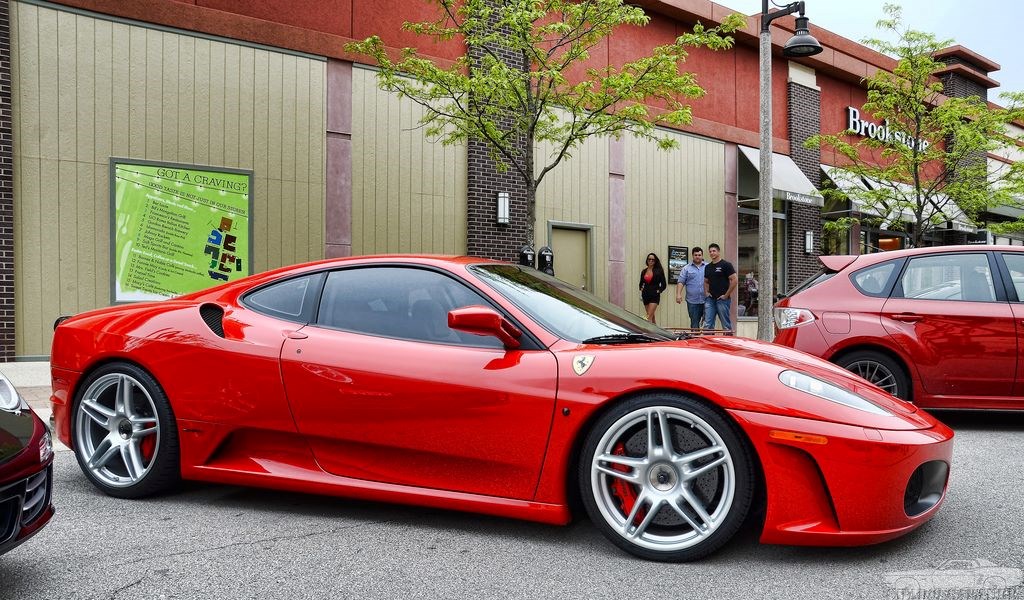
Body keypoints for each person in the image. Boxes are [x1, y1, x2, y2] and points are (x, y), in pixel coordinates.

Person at [704, 243, 737, 333]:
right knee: (707, 325)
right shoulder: (708, 267)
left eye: (714, 251)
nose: (712, 253)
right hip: (710, 299)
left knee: (726, 325)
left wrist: (726, 295)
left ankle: (728, 343)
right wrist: (706, 293)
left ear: (718, 252)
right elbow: (706, 281)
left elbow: (734, 280)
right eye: (710, 251)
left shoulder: (726, 265)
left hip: (723, 300)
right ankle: (708, 345)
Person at [674, 247, 706, 329]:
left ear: (702, 256)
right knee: (694, 323)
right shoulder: (686, 268)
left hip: (707, 300)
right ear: (692, 256)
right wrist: (678, 294)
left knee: (708, 323)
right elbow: (681, 282)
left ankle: (706, 340)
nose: (697, 257)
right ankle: (695, 340)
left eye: (699, 255)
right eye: (695, 255)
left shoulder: (708, 267)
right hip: (692, 301)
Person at [639, 253, 667, 324]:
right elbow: (641, 283)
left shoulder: (659, 271)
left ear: (655, 261)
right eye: (649, 259)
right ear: (647, 260)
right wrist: (641, 288)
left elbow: (664, 284)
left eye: (653, 260)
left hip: (654, 295)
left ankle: (648, 333)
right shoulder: (644, 271)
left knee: (648, 317)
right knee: (652, 316)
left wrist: (659, 291)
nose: (651, 261)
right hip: (645, 295)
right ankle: (656, 332)